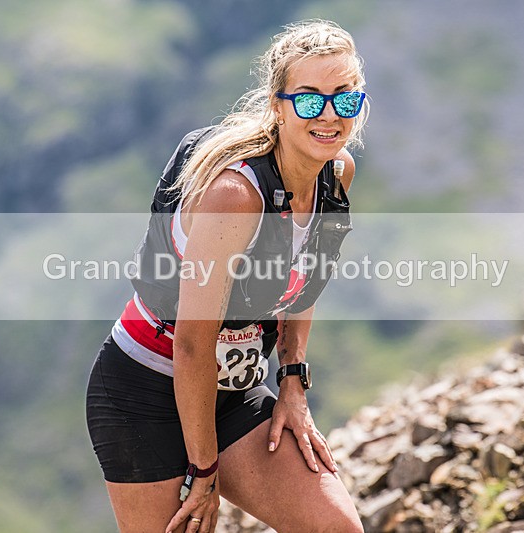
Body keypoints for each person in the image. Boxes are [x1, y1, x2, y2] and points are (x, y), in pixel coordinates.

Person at [86, 19, 369, 533]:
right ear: (277, 105)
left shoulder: (336, 173)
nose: (329, 116)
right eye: (308, 99)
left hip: (231, 392)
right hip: (145, 391)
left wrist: (292, 382)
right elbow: (193, 343)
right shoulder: (235, 198)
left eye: (344, 98)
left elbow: (306, 281)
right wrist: (204, 470)